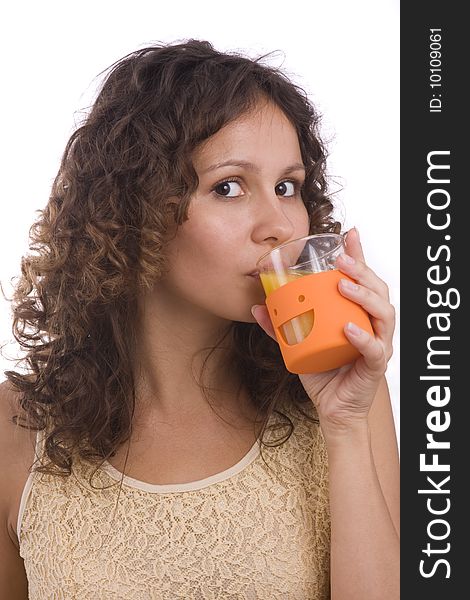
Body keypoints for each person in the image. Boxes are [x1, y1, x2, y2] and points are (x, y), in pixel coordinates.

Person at [0, 39, 399, 599]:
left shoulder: (342, 399)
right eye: (229, 187)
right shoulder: (17, 426)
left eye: (288, 187)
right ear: (131, 211)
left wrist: (347, 425)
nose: (280, 225)